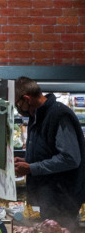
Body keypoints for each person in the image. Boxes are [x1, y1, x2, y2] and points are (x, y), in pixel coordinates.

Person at [13, 76, 85, 224]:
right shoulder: (37, 116)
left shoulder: (59, 114)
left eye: (18, 104)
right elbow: (49, 152)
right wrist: (28, 161)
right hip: (49, 198)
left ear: (27, 99)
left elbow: (70, 158)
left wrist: (32, 168)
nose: (18, 109)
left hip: (62, 200)